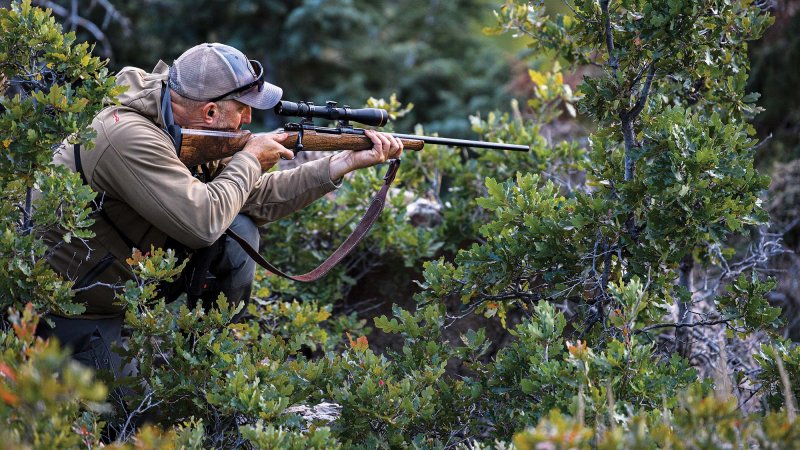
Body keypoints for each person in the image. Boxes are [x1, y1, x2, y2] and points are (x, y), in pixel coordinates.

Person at [37, 43, 403, 378]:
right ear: (210, 111)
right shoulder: (128, 136)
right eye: (243, 109)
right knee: (142, 416)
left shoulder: (183, 122)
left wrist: (340, 163)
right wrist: (249, 159)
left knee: (240, 228)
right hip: (72, 309)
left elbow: (253, 197)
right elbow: (203, 224)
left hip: (122, 290)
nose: (247, 120)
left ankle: (205, 357)